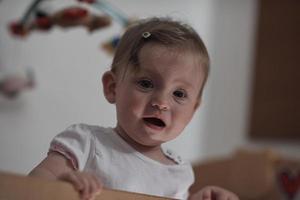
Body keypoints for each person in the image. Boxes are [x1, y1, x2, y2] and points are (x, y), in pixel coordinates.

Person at [29, 17, 239, 200]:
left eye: (179, 94)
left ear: (193, 109)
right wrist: (61, 185)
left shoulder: (179, 172)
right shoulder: (86, 143)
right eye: (146, 84)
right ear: (113, 88)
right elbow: (31, 187)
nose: (161, 102)